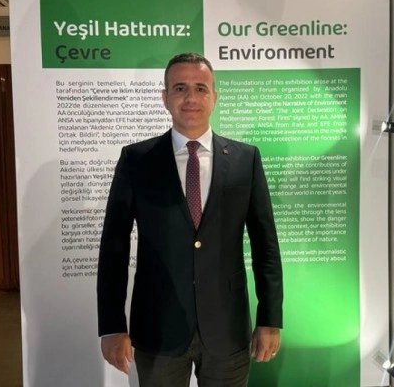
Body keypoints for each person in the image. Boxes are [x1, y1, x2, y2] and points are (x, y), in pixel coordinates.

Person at [97, 52, 283, 386]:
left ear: (214, 97)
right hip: (157, 329)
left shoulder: (246, 159)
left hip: (227, 328)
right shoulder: (136, 160)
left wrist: (270, 318)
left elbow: (265, 245)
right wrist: (112, 325)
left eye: (200, 88)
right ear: (165, 97)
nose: (191, 98)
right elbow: (114, 248)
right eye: (180, 88)